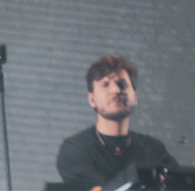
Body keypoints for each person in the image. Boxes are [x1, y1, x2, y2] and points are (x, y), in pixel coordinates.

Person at [55, 55, 177, 191]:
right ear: (92, 99)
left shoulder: (154, 149)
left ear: (135, 97)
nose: (116, 90)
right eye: (105, 84)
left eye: (122, 84)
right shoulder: (76, 148)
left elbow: (180, 183)